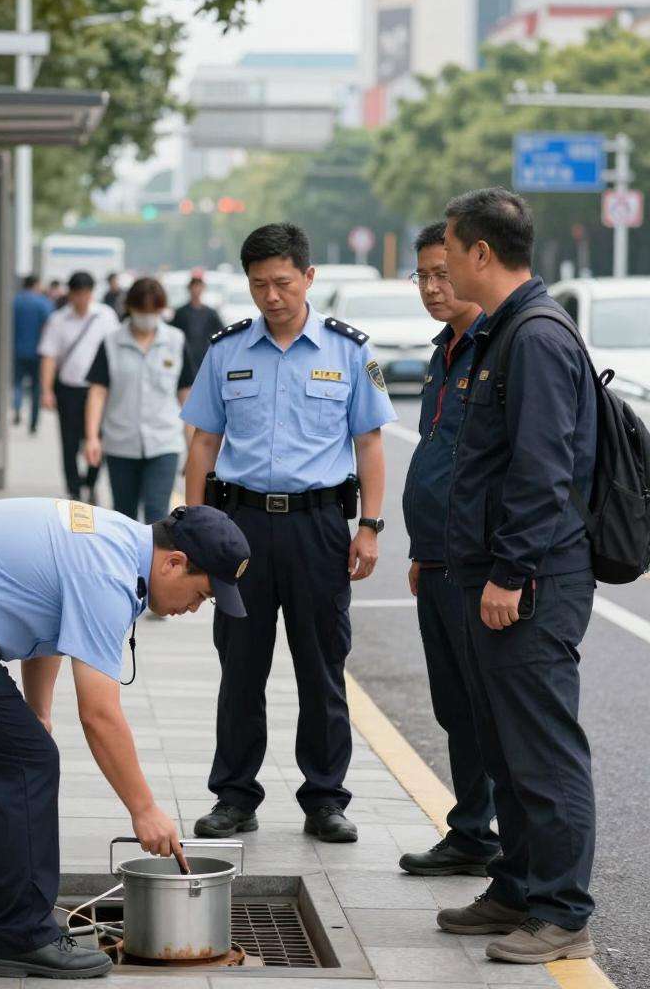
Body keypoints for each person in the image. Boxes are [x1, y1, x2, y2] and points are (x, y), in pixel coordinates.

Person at [0, 499, 250, 978]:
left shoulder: (113, 542)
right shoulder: (110, 574)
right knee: (29, 762)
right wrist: (144, 809)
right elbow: (99, 714)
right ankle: (25, 935)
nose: (193, 609)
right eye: (201, 595)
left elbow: (50, 619)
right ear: (174, 563)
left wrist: (36, 711)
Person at [182, 222, 397, 844]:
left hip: (318, 528)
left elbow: (369, 444)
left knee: (322, 667)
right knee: (240, 668)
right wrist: (195, 530)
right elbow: (203, 444)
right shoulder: (227, 350)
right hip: (240, 528)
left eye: (282, 282)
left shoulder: (349, 351)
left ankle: (325, 799)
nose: (271, 296)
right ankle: (234, 796)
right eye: (258, 285)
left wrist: (369, 527)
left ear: (308, 277)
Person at [437, 188, 597, 964]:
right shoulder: (503, 331)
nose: (442, 266)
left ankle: (563, 913)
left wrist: (511, 571)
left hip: (531, 580)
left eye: (449, 251)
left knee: (542, 750)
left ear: (480, 253)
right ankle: (518, 888)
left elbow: (542, 469)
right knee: (504, 745)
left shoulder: (534, 336)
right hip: (492, 572)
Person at [398, 221, 498, 877]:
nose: (434, 288)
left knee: (490, 708)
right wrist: (420, 547)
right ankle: (471, 833)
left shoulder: (501, 347)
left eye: (443, 273)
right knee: (455, 705)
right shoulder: (444, 351)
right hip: (435, 556)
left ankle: (513, 849)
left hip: (477, 564)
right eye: (424, 276)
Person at [84, 277, 196, 523]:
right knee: (124, 516)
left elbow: (186, 395)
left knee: (157, 512)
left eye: (153, 311)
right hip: (120, 443)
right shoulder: (111, 342)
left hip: (164, 442)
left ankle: (153, 551)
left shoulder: (175, 341)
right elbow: (98, 392)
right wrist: (92, 437)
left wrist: (193, 446)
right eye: (142, 311)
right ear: (130, 308)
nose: (147, 317)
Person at [38, 271, 119, 503]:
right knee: (69, 442)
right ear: (71, 294)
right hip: (69, 390)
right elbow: (49, 357)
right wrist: (46, 390)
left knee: (97, 438)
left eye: (86, 294)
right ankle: (73, 489)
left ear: (91, 293)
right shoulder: (58, 319)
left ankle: (91, 484)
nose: (82, 299)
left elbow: (116, 351)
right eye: (78, 294)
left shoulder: (105, 316)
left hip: (99, 390)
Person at [12, 275, 53, 433]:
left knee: (17, 383)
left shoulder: (15, 301)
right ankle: (33, 422)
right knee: (36, 387)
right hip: (38, 352)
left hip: (17, 350)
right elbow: (49, 326)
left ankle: (17, 409)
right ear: (36, 284)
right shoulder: (43, 303)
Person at [170, 274, 224, 370]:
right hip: (185, 357)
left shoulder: (211, 313)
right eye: (194, 286)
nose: (196, 290)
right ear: (189, 288)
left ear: (203, 288)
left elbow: (221, 333)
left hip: (205, 357)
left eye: (199, 286)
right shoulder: (181, 313)